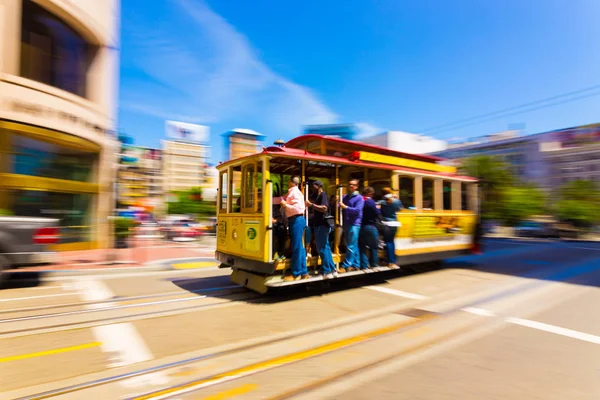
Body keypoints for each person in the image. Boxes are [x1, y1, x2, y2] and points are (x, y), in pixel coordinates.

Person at [273, 176, 308, 281]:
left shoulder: (295, 193)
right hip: (295, 220)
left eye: (289, 181)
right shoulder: (291, 192)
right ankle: (304, 272)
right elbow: (281, 199)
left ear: (291, 182)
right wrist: (267, 199)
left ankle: (296, 274)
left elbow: (298, 208)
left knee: (296, 248)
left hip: (296, 220)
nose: (288, 182)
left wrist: (286, 205)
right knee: (300, 248)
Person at [305, 180, 337, 279]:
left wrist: (311, 205)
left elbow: (324, 208)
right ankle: (332, 269)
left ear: (318, 186)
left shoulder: (323, 195)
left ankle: (327, 271)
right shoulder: (319, 196)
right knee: (326, 248)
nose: (312, 188)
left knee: (321, 248)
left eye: (313, 186)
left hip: (322, 225)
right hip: (320, 225)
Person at [339, 179, 364, 272]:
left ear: (357, 186)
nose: (351, 186)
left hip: (354, 224)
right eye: (350, 184)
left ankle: (346, 266)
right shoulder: (346, 197)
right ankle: (356, 264)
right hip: (347, 223)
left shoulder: (359, 198)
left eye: (353, 185)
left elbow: (357, 211)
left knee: (351, 245)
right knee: (353, 245)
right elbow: (339, 205)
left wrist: (345, 207)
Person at [378, 187, 402, 269]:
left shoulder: (382, 202)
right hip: (394, 224)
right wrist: (396, 198)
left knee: (387, 243)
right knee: (391, 242)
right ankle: (391, 261)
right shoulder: (396, 201)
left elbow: (377, 208)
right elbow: (399, 209)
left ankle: (389, 261)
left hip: (386, 224)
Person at [359, 186, 381, 271]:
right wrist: (378, 209)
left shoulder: (360, 200)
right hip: (371, 226)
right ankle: (374, 265)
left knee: (362, 246)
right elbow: (376, 213)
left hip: (361, 226)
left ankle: (364, 266)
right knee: (374, 247)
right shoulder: (370, 202)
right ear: (370, 193)